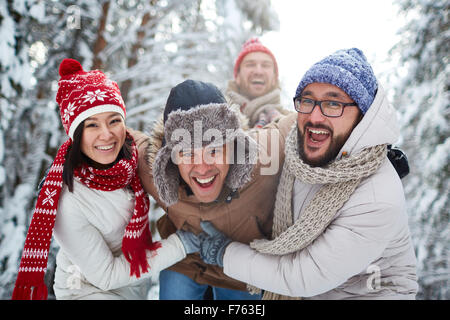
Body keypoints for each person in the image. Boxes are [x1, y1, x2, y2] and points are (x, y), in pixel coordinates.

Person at [193, 48, 419, 299]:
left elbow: (302, 277)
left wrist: (225, 252)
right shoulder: (299, 154)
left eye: (333, 103)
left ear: (363, 116)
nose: (314, 116)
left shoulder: (377, 197)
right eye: (308, 100)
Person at [12, 59, 194, 300]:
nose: (106, 134)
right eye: (92, 125)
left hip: (131, 288)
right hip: (88, 291)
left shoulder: (130, 162)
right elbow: (106, 275)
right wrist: (183, 244)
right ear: (76, 134)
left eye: (114, 121)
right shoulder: (66, 200)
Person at [129, 79, 296, 299]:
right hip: (186, 262)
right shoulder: (154, 169)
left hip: (239, 264)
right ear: (169, 157)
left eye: (214, 150)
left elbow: (306, 119)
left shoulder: (262, 157)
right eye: (187, 153)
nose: (203, 167)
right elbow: (113, 135)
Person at [226, 37, 291, 128]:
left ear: (274, 78)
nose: (258, 72)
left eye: (266, 65)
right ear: (237, 76)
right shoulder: (217, 117)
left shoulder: (292, 123)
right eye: (250, 65)